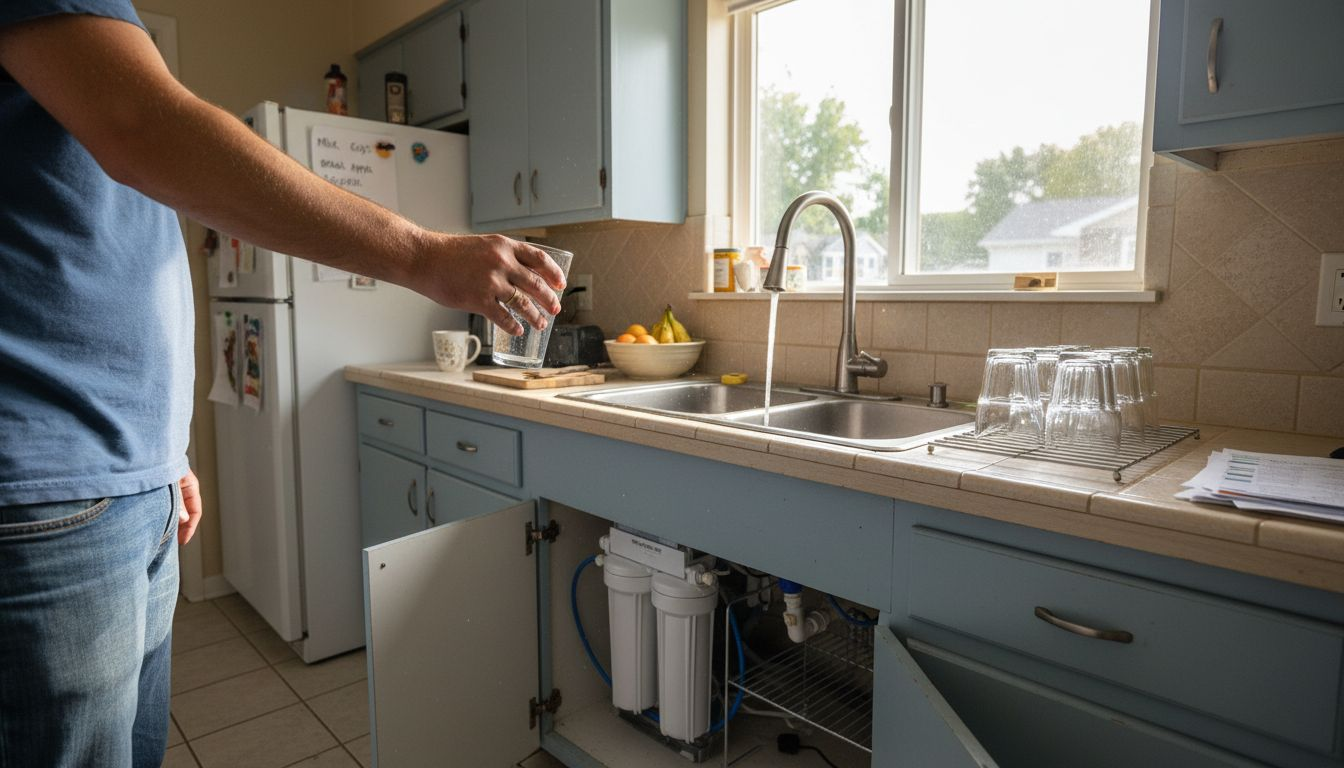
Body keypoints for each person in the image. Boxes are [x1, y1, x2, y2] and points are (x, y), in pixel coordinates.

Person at [0, 1, 565, 765]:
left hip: (121, 471)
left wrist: (166, 455)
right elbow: (143, 124)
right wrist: (424, 254)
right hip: (48, 482)